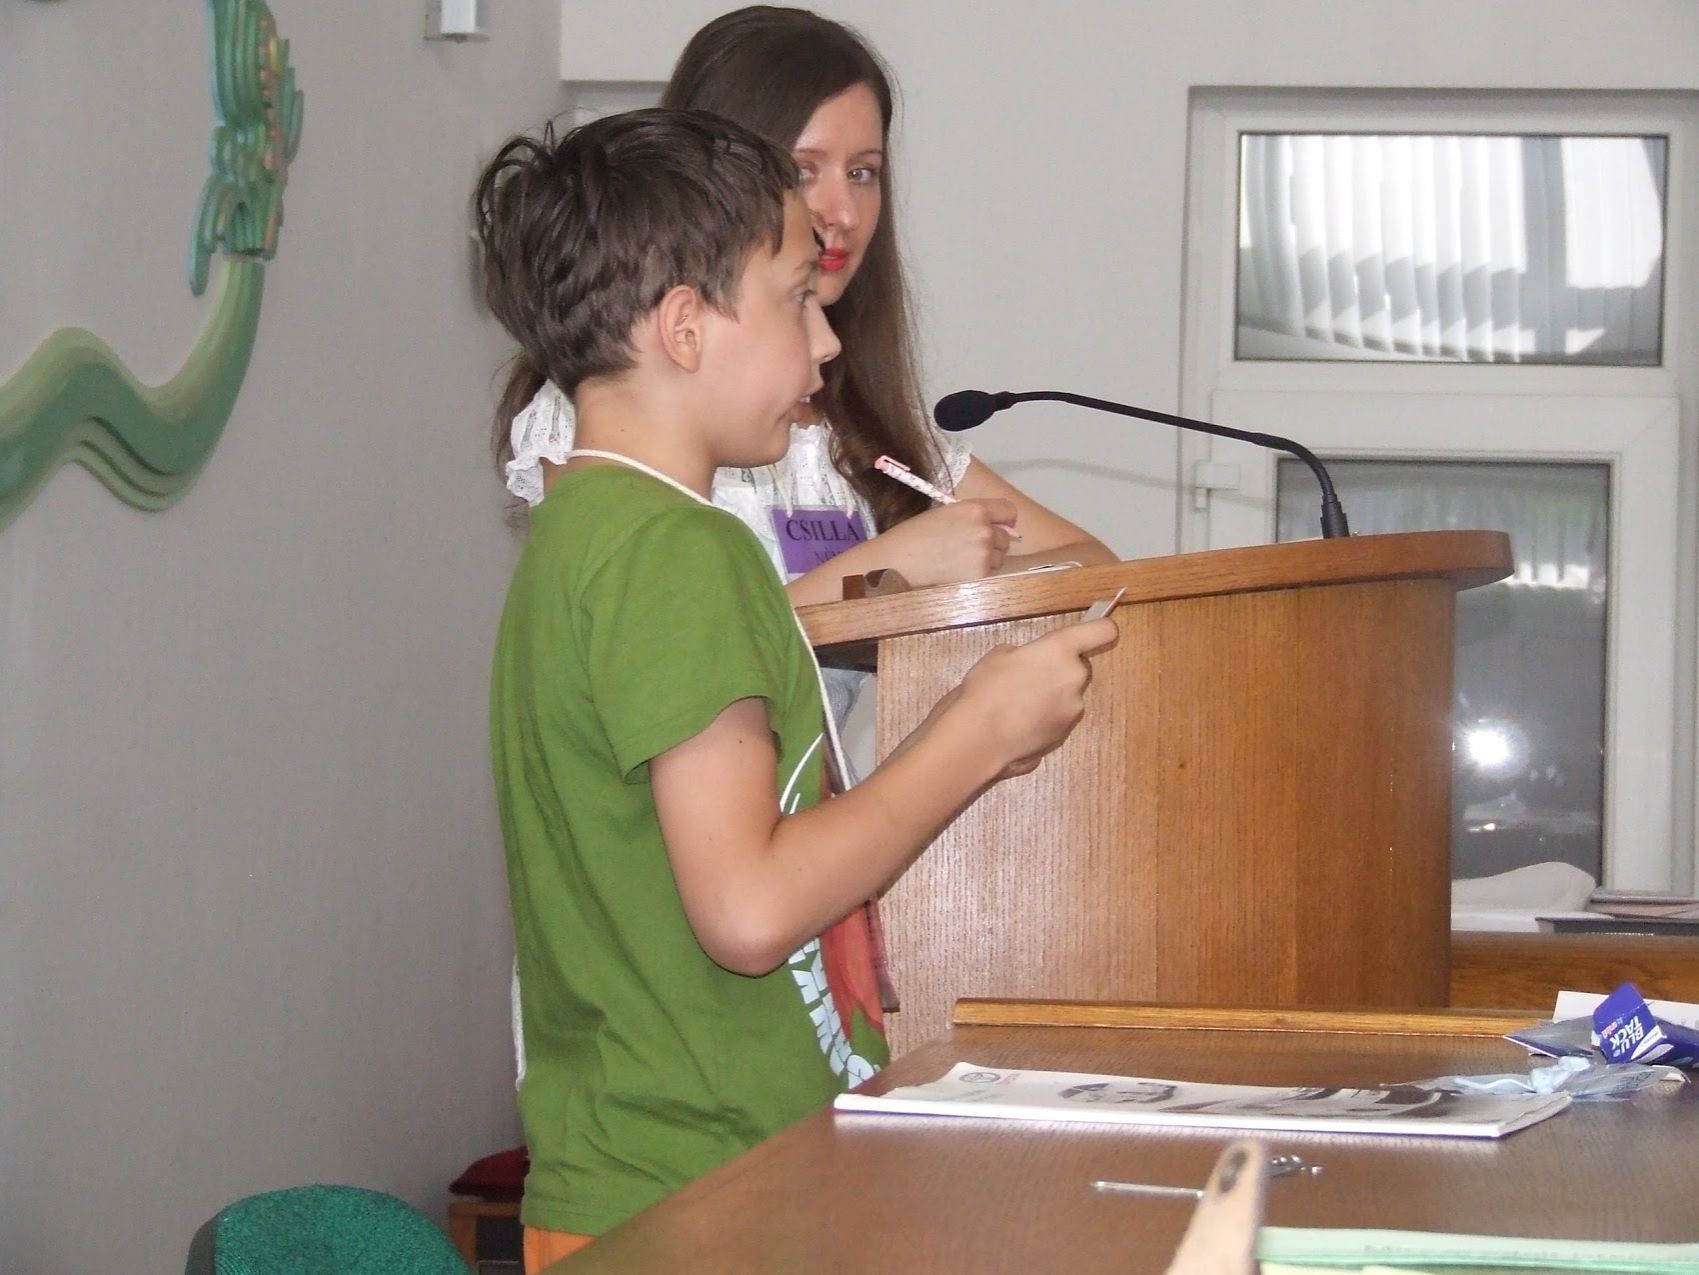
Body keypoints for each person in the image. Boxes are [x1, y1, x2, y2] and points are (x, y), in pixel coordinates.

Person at [475, 107, 1118, 1269]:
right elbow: (748, 911)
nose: (825, 344)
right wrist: (976, 733)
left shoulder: (584, 535)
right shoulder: (679, 551)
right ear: (685, 328)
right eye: (794, 300)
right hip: (699, 1201)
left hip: (657, 1188)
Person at [498, 5, 1115, 617]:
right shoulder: (606, 396)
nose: (842, 212)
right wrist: (883, 572)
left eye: (863, 172)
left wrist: (950, 582)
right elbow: (660, 642)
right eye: (803, 170)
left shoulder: (864, 413)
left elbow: (1095, 567)